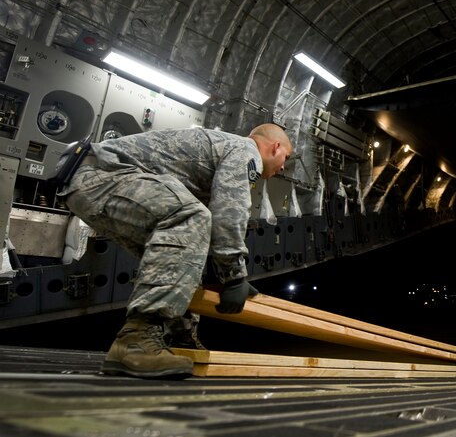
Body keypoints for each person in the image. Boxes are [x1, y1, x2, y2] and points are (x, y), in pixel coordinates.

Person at [57, 123, 293, 378]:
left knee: (187, 255)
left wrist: (217, 273)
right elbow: (229, 212)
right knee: (192, 217)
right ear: (274, 146)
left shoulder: (222, 150)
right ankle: (135, 342)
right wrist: (234, 275)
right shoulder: (246, 150)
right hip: (104, 175)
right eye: (285, 159)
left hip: (86, 181)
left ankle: (178, 338)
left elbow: (197, 241)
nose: (282, 167)